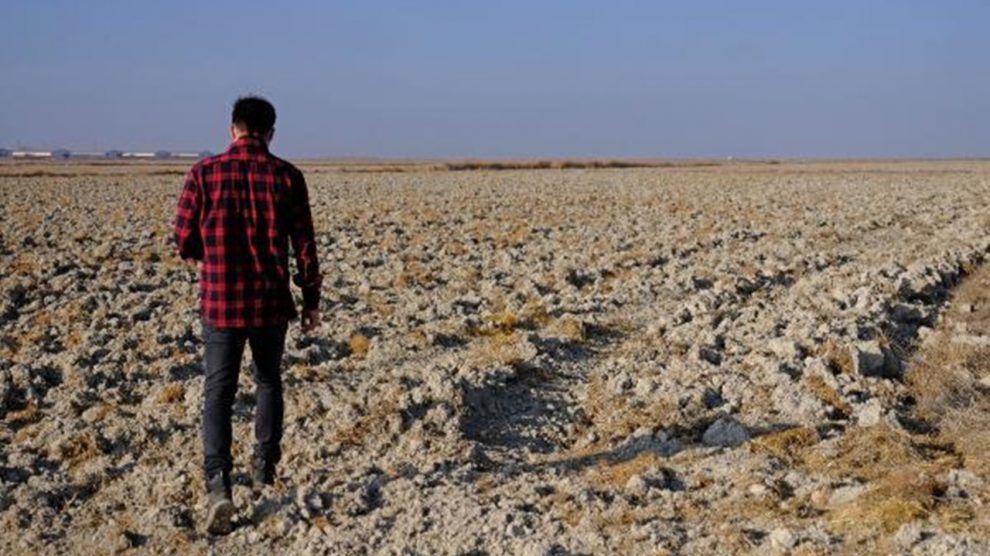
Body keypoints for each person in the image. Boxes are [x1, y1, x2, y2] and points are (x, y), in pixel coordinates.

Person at [173, 96, 322, 535]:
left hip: (220, 301)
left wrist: (204, 253)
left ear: (232, 129)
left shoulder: (203, 173)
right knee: (269, 381)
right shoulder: (287, 176)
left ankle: (218, 483)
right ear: (271, 133)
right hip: (270, 303)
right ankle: (263, 470)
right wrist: (311, 299)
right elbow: (305, 246)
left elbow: (182, 238)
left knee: (218, 390)